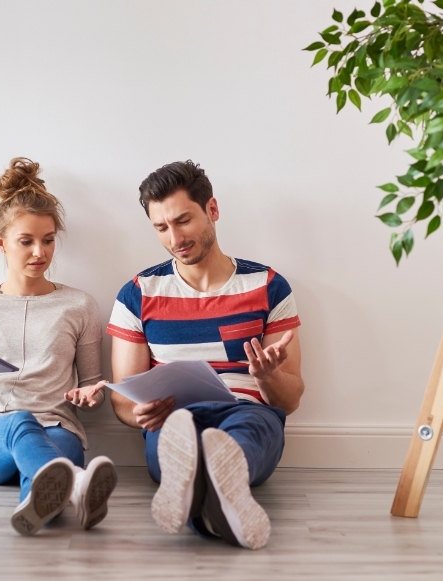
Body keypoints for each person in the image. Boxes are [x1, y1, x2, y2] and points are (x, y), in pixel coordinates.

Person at [107, 160, 304, 550]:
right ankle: (216, 509)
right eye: (161, 228)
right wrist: (139, 413)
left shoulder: (267, 286)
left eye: (183, 221)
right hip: (173, 418)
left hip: (247, 409)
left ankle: (199, 489)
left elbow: (291, 399)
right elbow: (122, 400)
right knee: (176, 437)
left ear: (212, 210)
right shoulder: (137, 293)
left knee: (245, 431)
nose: (174, 237)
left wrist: (267, 377)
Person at [0, 157, 117, 536]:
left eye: (48, 240)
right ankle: (77, 483)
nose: (39, 252)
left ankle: (36, 504)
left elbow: (93, 386)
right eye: (26, 241)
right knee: (20, 422)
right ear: (1, 242)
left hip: (56, 427)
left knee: (47, 469)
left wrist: (90, 396)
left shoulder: (80, 306)